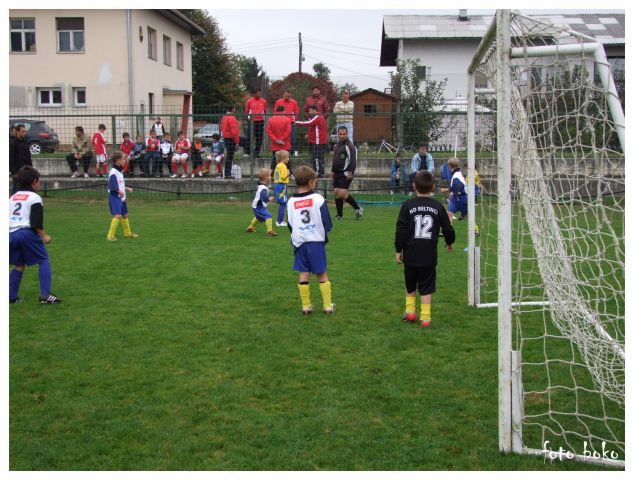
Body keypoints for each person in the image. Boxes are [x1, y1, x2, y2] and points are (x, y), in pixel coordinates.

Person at [395, 170, 455, 327]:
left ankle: (410, 313)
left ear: (414, 186)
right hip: (429, 255)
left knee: (410, 284)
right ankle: (426, 318)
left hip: (411, 253)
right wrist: (449, 241)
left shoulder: (407, 205)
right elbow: (447, 228)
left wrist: (398, 249)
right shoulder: (437, 206)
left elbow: (401, 229)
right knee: (426, 287)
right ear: (433, 187)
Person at [9, 166, 61, 304]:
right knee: (43, 260)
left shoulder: (13, 197)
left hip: (10, 233)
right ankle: (45, 295)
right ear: (35, 181)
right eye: (39, 181)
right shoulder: (35, 198)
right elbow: (36, 221)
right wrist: (44, 236)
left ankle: (11, 296)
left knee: (19, 264)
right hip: (26, 233)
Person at [287, 165, 334, 315]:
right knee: (321, 273)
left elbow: (290, 223)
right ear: (310, 182)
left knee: (304, 272)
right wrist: (322, 234)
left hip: (300, 242)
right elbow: (326, 222)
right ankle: (327, 306)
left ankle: (306, 306)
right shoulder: (318, 199)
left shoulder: (290, 202)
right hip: (315, 241)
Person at [330, 126, 363, 220]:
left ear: (347, 134)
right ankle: (340, 216)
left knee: (343, 193)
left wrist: (351, 172)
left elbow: (353, 160)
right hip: (337, 173)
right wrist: (332, 171)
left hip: (345, 173)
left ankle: (358, 208)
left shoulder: (350, 146)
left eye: (344, 134)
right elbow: (335, 159)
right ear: (338, 134)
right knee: (336, 192)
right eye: (340, 134)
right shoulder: (337, 145)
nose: (342, 136)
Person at [106, 151, 139, 241]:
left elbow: (119, 183)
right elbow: (112, 184)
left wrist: (126, 188)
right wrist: (118, 191)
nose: (125, 160)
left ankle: (127, 233)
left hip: (121, 197)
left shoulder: (119, 170)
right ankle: (110, 236)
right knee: (118, 215)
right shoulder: (113, 172)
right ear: (118, 160)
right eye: (123, 159)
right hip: (115, 196)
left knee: (125, 215)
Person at [295, 104, 327, 176]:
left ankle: (318, 173)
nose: (309, 112)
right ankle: (319, 172)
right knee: (316, 157)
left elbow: (309, 123)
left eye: (310, 111)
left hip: (318, 142)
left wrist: (297, 122)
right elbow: (314, 127)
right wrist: (309, 135)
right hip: (315, 141)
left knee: (317, 158)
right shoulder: (315, 117)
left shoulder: (318, 117)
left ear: (315, 110)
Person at [246, 168, 277, 237]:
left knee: (258, 217)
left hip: (256, 206)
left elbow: (261, 180)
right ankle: (269, 231)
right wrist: (269, 199)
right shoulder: (263, 187)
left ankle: (251, 227)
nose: (271, 177)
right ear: (266, 177)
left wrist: (268, 172)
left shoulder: (260, 184)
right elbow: (263, 196)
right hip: (259, 206)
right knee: (268, 216)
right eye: (269, 176)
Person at [274, 91, 300, 156]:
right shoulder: (278, 102)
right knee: (283, 137)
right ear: (283, 95)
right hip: (281, 122)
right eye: (286, 96)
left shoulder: (294, 102)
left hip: (291, 122)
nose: (287, 97)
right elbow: (275, 112)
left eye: (289, 96)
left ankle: (294, 151)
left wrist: (295, 119)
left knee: (292, 136)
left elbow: (296, 112)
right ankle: (283, 151)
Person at [267, 104, 292, 173]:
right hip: (285, 143)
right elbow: (288, 131)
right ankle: (289, 174)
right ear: (283, 111)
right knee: (286, 159)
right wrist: (282, 139)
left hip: (275, 144)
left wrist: (276, 140)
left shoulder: (271, 119)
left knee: (275, 159)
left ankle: (272, 174)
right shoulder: (287, 119)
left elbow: (269, 131)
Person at [9, 125, 33, 195]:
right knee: (16, 189)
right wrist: (14, 172)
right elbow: (10, 158)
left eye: (25, 131)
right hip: (17, 171)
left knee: (27, 189)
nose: (24, 133)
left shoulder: (25, 142)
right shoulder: (13, 143)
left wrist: (31, 169)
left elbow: (28, 157)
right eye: (23, 131)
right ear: (17, 132)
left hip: (26, 170)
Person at [245, 88, 267, 160]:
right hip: (252, 121)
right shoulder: (249, 101)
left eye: (260, 93)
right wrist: (248, 118)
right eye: (258, 93)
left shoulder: (263, 101)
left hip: (260, 121)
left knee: (259, 138)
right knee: (249, 137)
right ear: (254, 94)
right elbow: (247, 111)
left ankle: (256, 153)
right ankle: (247, 153)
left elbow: (265, 111)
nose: (259, 95)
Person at [220, 106, 239, 179]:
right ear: (233, 109)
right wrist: (237, 141)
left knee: (228, 156)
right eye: (234, 108)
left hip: (226, 138)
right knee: (230, 157)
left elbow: (221, 127)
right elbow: (234, 131)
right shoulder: (232, 118)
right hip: (231, 138)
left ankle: (226, 173)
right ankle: (228, 173)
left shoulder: (224, 117)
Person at [273, 150, 290, 227]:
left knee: (282, 203)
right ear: (283, 158)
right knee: (283, 203)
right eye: (287, 157)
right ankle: (279, 221)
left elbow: (276, 176)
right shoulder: (283, 166)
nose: (288, 159)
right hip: (282, 186)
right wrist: (288, 173)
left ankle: (279, 221)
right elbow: (283, 177)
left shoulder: (277, 165)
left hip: (277, 185)